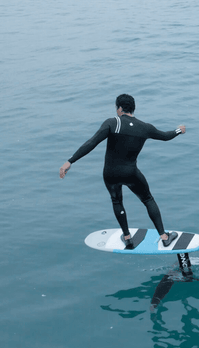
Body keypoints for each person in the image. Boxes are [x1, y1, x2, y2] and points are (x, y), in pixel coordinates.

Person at [59, 94, 185, 249]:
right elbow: (166, 136)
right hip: (131, 173)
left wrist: (70, 161)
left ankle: (127, 237)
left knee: (117, 201)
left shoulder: (113, 123)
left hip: (110, 174)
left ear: (119, 108)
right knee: (147, 200)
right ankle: (164, 237)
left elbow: (92, 142)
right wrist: (179, 130)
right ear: (133, 108)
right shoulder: (145, 127)